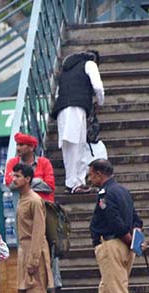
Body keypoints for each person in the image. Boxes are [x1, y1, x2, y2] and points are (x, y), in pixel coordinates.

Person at [74, 159, 145, 293]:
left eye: (90, 174)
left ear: (98, 174)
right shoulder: (123, 191)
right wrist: (135, 240)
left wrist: (128, 238)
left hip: (111, 245)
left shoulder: (106, 194)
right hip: (126, 248)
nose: (89, 178)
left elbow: (114, 222)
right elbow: (137, 219)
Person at [9, 163, 53, 293]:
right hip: (22, 249)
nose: (14, 179)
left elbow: (38, 231)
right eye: (14, 176)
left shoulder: (35, 200)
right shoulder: (22, 198)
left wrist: (34, 259)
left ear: (27, 179)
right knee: (22, 292)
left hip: (34, 249)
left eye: (18, 176)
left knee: (35, 291)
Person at [51, 50, 104, 194]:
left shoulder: (66, 70)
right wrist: (100, 101)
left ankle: (72, 183)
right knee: (78, 144)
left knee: (68, 145)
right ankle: (77, 183)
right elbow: (98, 86)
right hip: (77, 107)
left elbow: (58, 93)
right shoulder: (90, 64)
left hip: (62, 108)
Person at [4, 132, 55, 202]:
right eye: (17, 145)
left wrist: (22, 183)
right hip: (22, 206)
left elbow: (49, 186)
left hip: (44, 206)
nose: (18, 148)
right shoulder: (12, 163)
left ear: (31, 147)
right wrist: (39, 180)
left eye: (21, 145)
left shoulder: (44, 162)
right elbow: (10, 184)